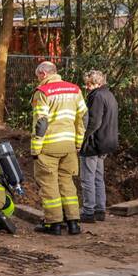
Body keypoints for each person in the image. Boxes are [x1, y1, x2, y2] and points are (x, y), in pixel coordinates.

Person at [30, 61, 88, 235]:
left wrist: (35, 149)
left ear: (43, 74)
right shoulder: (75, 90)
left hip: (49, 146)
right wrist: (78, 143)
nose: (38, 80)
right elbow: (83, 118)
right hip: (69, 145)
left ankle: (53, 224)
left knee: (49, 184)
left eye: (38, 76)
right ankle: (73, 223)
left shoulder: (43, 92)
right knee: (67, 183)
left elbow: (41, 122)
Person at [79, 69, 119, 223]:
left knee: (87, 178)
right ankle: (100, 210)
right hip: (106, 142)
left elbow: (94, 122)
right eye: (87, 83)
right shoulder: (109, 95)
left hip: (94, 143)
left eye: (90, 84)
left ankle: (88, 211)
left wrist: (82, 138)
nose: (87, 87)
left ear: (99, 83)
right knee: (98, 177)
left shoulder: (97, 96)